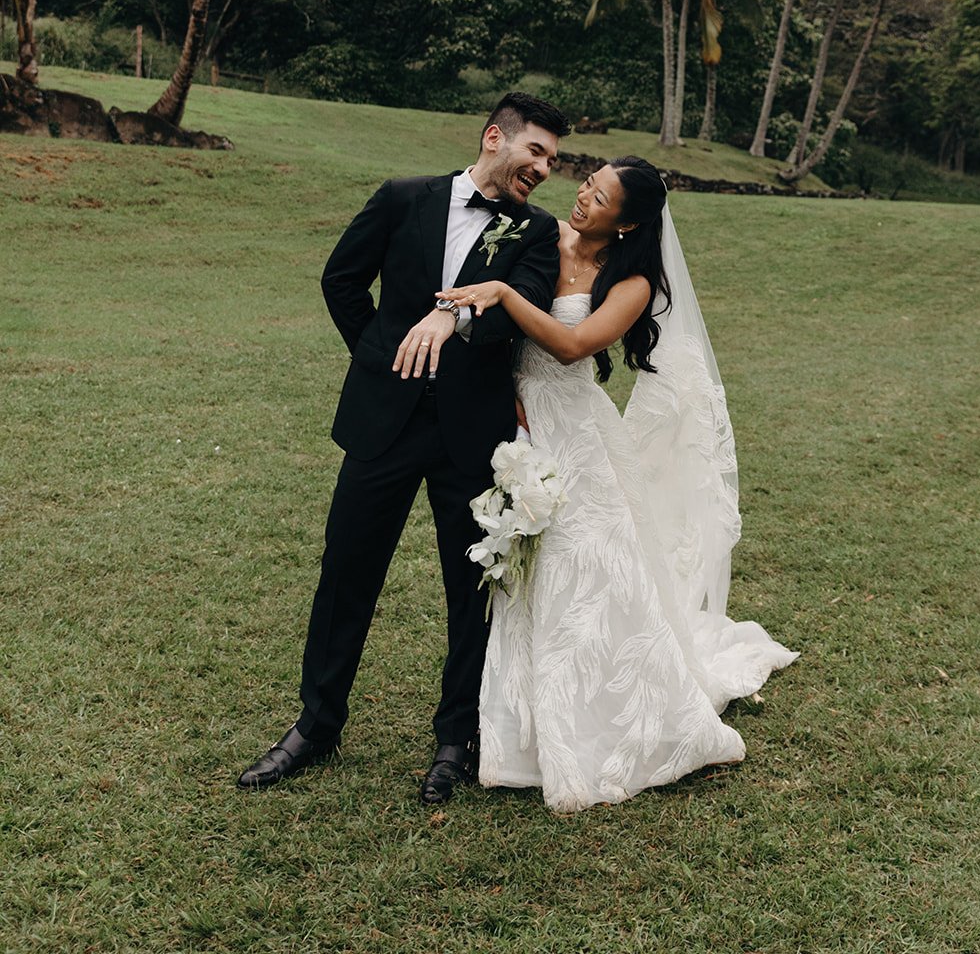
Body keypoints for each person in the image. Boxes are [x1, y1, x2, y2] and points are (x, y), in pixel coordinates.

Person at [237, 92, 571, 802]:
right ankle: (316, 727)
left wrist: (455, 319)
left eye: (552, 159)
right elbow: (342, 280)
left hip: (471, 436)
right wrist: (381, 355)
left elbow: (525, 309)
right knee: (345, 576)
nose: (544, 168)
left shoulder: (534, 232)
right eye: (535, 151)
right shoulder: (401, 198)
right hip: (382, 420)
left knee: (471, 591)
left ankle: (456, 739)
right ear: (493, 137)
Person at [441, 156, 798, 813]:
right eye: (585, 185)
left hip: (575, 428)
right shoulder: (540, 235)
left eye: (598, 196)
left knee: (589, 569)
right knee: (522, 568)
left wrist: (506, 297)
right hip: (512, 416)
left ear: (627, 220)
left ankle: (614, 721)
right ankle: (511, 726)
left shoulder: (631, 281)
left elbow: (575, 347)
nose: (581, 198)